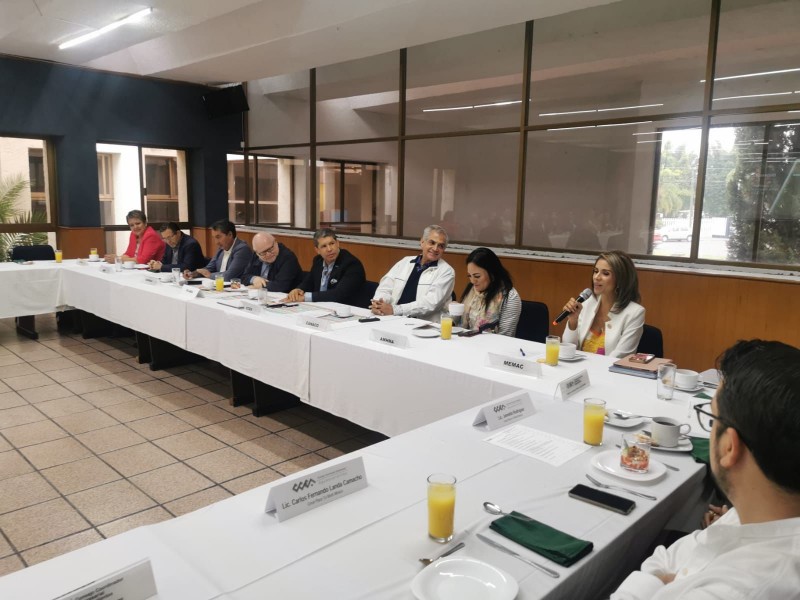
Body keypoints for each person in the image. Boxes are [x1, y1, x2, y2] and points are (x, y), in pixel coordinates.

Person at [611, 339, 800, 600]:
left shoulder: (740, 590)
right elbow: (667, 557)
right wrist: (663, 581)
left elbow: (663, 566)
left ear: (729, 447)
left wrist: (655, 582)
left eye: (712, 420)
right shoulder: (758, 514)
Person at [560, 250, 644, 358]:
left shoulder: (635, 313)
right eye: (596, 271)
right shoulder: (587, 302)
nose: (596, 277)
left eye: (605, 273)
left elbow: (619, 357)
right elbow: (568, 350)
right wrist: (573, 321)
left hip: (608, 368)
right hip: (579, 367)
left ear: (621, 279)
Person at [370, 225, 455, 321]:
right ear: (422, 242)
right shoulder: (405, 262)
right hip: (392, 318)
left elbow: (430, 304)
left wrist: (395, 310)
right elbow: (385, 287)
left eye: (441, 246)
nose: (435, 248)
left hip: (422, 324)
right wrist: (379, 304)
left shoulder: (447, 271)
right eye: (432, 242)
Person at [285, 229, 365, 304]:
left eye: (332, 243)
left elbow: (338, 294)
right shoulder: (318, 261)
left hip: (345, 309)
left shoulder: (351, 264)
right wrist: (298, 290)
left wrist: (305, 297)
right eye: (324, 246)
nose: (329, 249)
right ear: (317, 250)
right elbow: (309, 282)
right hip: (321, 307)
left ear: (338, 243)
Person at [459, 247, 521, 336]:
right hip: (465, 341)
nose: (472, 281)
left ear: (492, 274)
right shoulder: (472, 289)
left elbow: (505, 336)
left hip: (491, 344)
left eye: (477, 276)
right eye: (469, 276)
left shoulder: (509, 297)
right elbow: (460, 324)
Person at [184, 219, 252, 281]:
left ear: (230, 234)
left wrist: (210, 275)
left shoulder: (242, 249)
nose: (216, 242)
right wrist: (193, 273)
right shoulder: (221, 248)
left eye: (218, 237)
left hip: (235, 287)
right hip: (219, 286)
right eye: (214, 238)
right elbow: (209, 268)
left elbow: (229, 276)